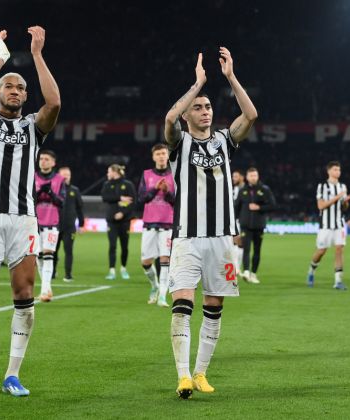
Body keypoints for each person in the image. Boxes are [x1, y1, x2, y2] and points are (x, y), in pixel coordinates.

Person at [0, 27, 60, 396]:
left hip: (23, 219)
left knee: (24, 294)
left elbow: (54, 105)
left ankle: (12, 374)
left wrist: (36, 54)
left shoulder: (33, 126)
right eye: (10, 86)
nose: (16, 91)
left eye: (21, 88)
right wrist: (2, 58)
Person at [164, 48, 257, 398]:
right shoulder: (179, 142)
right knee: (183, 303)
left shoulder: (223, 140)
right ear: (189, 114)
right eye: (198, 108)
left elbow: (251, 113)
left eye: (208, 106)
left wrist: (230, 77)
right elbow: (169, 117)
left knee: (214, 306)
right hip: (187, 237)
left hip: (221, 239)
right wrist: (198, 83)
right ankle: (183, 375)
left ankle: (201, 372)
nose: (205, 111)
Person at [138, 143, 175, 307]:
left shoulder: (175, 174)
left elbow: (178, 201)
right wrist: (155, 189)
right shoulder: (146, 175)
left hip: (168, 224)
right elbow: (141, 199)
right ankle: (154, 286)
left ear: (167, 156)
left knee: (165, 259)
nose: (161, 156)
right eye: (158, 154)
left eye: (163, 153)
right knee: (146, 261)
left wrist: (167, 191)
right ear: (153, 157)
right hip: (149, 224)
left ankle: (162, 296)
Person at [306, 161, 350, 290]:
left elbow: (344, 208)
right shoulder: (322, 186)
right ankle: (311, 271)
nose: (338, 172)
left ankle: (338, 281)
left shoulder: (343, 187)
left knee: (339, 250)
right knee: (321, 251)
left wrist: (345, 202)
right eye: (335, 170)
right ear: (329, 171)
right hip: (326, 225)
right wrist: (338, 197)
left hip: (339, 224)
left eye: (339, 170)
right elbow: (321, 206)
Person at [34, 149, 66, 302]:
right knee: (38, 256)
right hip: (34, 224)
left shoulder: (59, 180)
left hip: (52, 224)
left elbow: (62, 202)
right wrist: (39, 193)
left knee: (48, 255)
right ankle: (47, 288)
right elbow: (26, 199)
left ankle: (45, 290)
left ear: (53, 162)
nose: (43, 161)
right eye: (41, 158)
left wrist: (52, 194)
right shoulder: (32, 177)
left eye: (47, 159)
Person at [234, 167, 276, 284]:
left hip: (259, 226)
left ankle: (253, 273)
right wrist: (233, 223)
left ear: (258, 176)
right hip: (245, 225)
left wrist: (259, 207)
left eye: (255, 175)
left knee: (257, 250)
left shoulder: (265, 190)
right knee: (246, 249)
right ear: (247, 177)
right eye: (251, 176)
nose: (253, 178)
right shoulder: (243, 191)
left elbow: (273, 205)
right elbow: (236, 208)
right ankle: (246, 271)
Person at [101, 164, 135, 280]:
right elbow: (105, 197)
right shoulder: (107, 184)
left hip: (125, 221)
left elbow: (133, 202)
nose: (107, 174)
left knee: (124, 246)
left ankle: (123, 268)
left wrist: (123, 213)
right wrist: (120, 198)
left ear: (115, 172)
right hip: (111, 221)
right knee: (112, 246)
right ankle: (112, 270)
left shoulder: (128, 185)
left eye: (108, 171)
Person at [54, 166, 85, 283]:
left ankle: (68, 275)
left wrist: (81, 224)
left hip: (69, 227)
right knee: (53, 251)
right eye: (64, 174)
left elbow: (80, 208)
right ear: (58, 176)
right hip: (55, 226)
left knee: (69, 251)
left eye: (68, 174)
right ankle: (52, 273)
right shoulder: (54, 189)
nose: (66, 176)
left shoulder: (74, 190)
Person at [231, 170, 245, 275]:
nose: (234, 178)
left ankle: (237, 267)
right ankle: (236, 267)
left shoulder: (244, 189)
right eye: (233, 176)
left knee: (238, 243)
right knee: (236, 243)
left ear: (241, 177)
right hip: (234, 218)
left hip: (240, 219)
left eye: (236, 176)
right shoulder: (234, 188)